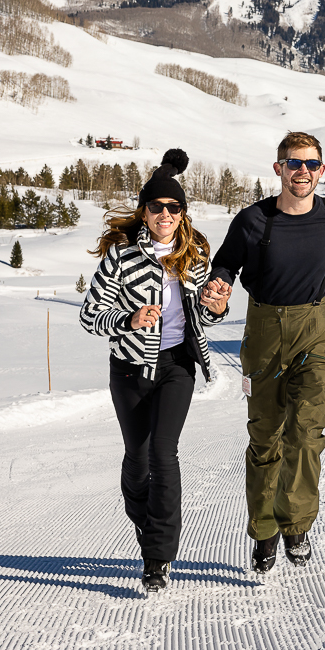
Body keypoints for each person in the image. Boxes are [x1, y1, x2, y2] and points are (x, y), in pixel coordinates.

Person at [206, 131, 325, 573]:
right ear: (278, 168)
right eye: (294, 163)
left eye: (311, 164)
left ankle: (296, 523)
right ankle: (264, 531)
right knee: (265, 439)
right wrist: (218, 287)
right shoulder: (253, 220)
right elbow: (225, 263)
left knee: (306, 431)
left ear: (322, 169)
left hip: (315, 330)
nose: (303, 171)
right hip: (263, 334)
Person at [80, 149, 230, 593]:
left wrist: (217, 308)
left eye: (174, 207)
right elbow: (91, 316)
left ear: (183, 214)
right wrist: (128, 320)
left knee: (165, 454)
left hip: (177, 366)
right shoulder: (121, 258)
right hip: (129, 368)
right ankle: (144, 520)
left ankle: (158, 558)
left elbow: (207, 313)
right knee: (137, 458)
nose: (165, 214)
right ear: (144, 213)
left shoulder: (196, 260)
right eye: (157, 207)